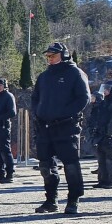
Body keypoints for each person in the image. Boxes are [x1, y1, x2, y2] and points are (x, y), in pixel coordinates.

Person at [31, 42, 92, 214]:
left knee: (71, 165)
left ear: (64, 55)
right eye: (48, 56)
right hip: (45, 127)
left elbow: (83, 98)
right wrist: (37, 114)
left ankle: (73, 200)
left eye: (53, 55)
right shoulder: (44, 76)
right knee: (45, 165)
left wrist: (65, 114)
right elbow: (35, 98)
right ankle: (51, 200)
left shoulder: (75, 73)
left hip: (66, 126)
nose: (49, 59)